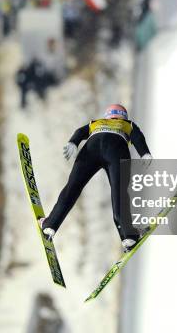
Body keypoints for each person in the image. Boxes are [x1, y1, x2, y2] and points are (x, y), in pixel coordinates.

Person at [39, 104, 152, 251]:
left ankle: (50, 225)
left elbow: (80, 131)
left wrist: (73, 142)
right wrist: (145, 153)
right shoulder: (127, 124)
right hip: (116, 148)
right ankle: (129, 236)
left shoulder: (96, 123)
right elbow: (137, 137)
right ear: (123, 116)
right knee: (119, 193)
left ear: (107, 115)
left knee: (72, 187)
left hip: (91, 148)